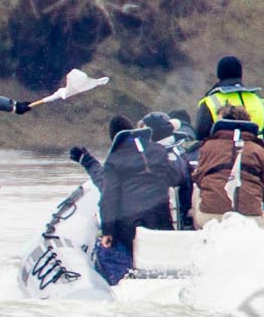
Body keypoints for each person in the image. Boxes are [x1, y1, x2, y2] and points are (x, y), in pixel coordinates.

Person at [71, 115, 192, 283]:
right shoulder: (158, 151)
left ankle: (118, 280)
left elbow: (109, 198)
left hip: (129, 227)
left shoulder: (115, 160)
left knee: (109, 250)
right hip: (161, 221)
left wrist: (108, 232)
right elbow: (177, 178)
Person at [191, 104, 264, 227]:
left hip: (211, 218)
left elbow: (198, 179)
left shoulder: (207, 147)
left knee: (196, 190)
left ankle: (204, 240)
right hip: (250, 220)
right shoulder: (261, 151)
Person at [195, 55, 264, 139]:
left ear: (219, 74)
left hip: (222, 150)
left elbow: (200, 137)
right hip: (256, 150)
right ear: (240, 74)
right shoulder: (263, 104)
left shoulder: (210, 102)